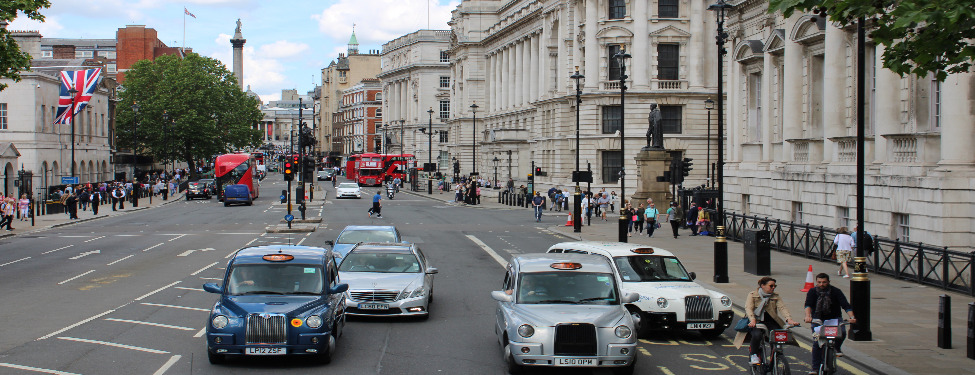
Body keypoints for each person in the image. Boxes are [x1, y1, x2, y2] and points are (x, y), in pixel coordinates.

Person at [735, 277, 799, 365]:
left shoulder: (775, 296)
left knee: (777, 338)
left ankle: (776, 355)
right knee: (757, 335)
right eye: (771, 286)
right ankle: (754, 354)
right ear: (762, 286)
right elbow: (749, 308)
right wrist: (752, 320)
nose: (773, 288)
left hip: (770, 321)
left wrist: (789, 319)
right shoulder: (753, 295)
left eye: (774, 286)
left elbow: (782, 308)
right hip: (757, 321)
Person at [804, 273, 856, 372]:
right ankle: (815, 368)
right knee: (817, 343)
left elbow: (846, 305)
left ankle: (836, 347)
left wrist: (852, 317)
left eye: (824, 282)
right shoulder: (812, 291)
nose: (821, 284)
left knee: (842, 332)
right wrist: (807, 316)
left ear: (828, 282)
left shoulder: (836, 291)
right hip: (818, 319)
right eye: (819, 282)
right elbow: (808, 305)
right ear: (816, 282)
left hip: (834, 319)